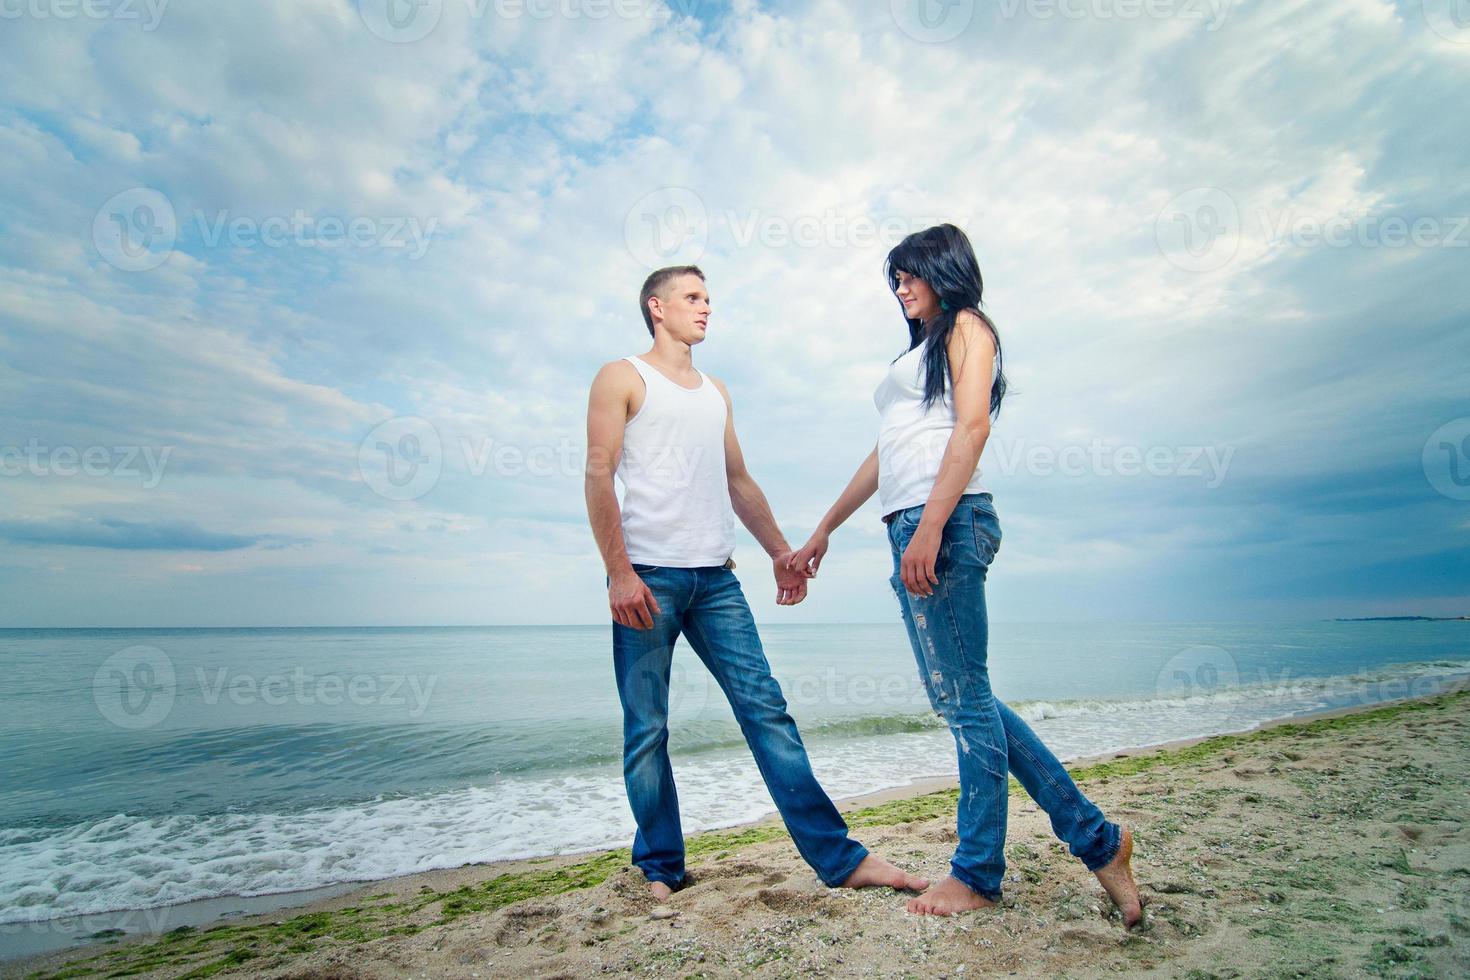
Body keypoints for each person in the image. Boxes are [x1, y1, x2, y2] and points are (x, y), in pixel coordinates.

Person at [787, 225, 1144, 925]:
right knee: (966, 701)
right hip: (913, 520)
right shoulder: (918, 354)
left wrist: (928, 527)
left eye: (910, 274)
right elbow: (885, 454)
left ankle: (978, 872)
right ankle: (1101, 843)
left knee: (965, 701)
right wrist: (824, 527)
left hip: (944, 520)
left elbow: (972, 428)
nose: (900, 287)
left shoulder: (969, 327)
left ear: (944, 270)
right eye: (894, 279)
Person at [584, 264, 927, 902]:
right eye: (692, 298)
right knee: (646, 729)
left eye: (709, 298)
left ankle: (840, 858)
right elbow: (598, 477)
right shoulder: (621, 377)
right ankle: (660, 866)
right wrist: (620, 572)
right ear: (656, 307)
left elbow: (738, 480)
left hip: (717, 581)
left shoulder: (715, 391)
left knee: (766, 712)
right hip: (647, 580)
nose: (705, 308)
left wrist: (779, 552)